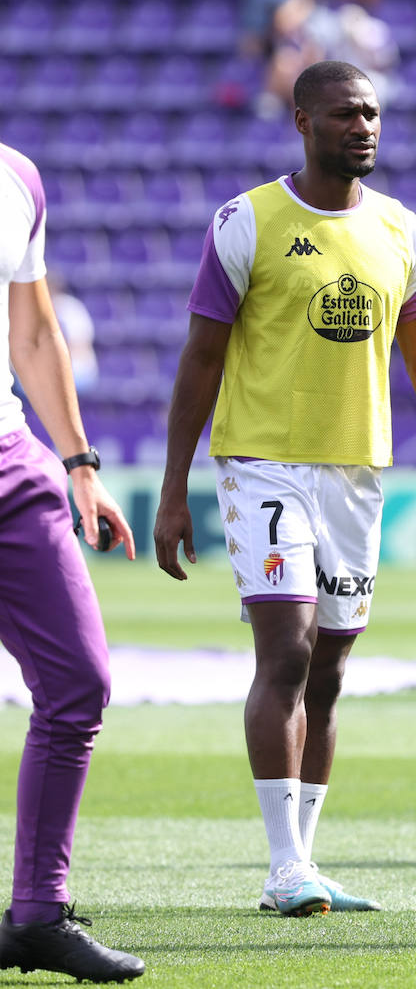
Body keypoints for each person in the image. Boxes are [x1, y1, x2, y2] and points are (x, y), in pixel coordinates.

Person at [153, 61, 416, 917]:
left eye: (374, 114)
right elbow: (202, 358)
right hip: (264, 463)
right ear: (302, 120)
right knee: (287, 652)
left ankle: (305, 858)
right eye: (348, 113)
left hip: (357, 472)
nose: (365, 127)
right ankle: (282, 867)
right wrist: (173, 487)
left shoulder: (402, 232)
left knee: (331, 672)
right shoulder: (248, 222)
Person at [0, 142, 144, 982]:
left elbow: (32, 329)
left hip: (15, 462)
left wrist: (79, 462)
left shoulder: (17, 176)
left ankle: (36, 917)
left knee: (80, 684)